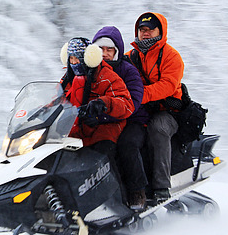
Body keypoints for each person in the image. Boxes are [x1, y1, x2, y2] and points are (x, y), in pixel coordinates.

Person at [125, 12, 185, 204]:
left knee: (157, 129)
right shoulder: (130, 57)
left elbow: (168, 85)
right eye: (142, 30)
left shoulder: (172, 56)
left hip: (167, 111)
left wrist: (139, 95)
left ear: (161, 31)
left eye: (151, 29)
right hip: (139, 110)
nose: (146, 33)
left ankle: (161, 187)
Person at [92, 26, 148, 211]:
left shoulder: (128, 71)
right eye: (101, 49)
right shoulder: (88, 70)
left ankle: (136, 192)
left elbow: (133, 101)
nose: (105, 54)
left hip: (133, 119)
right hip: (102, 120)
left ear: (117, 51)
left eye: (110, 50)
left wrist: (102, 111)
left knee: (126, 144)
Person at [59, 37, 135, 168]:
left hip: (104, 127)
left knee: (101, 156)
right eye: (71, 59)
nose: (74, 62)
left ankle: (118, 187)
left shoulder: (106, 76)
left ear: (88, 57)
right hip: (75, 129)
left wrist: (104, 103)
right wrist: (41, 110)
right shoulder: (68, 78)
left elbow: (126, 104)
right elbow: (57, 98)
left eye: (77, 58)